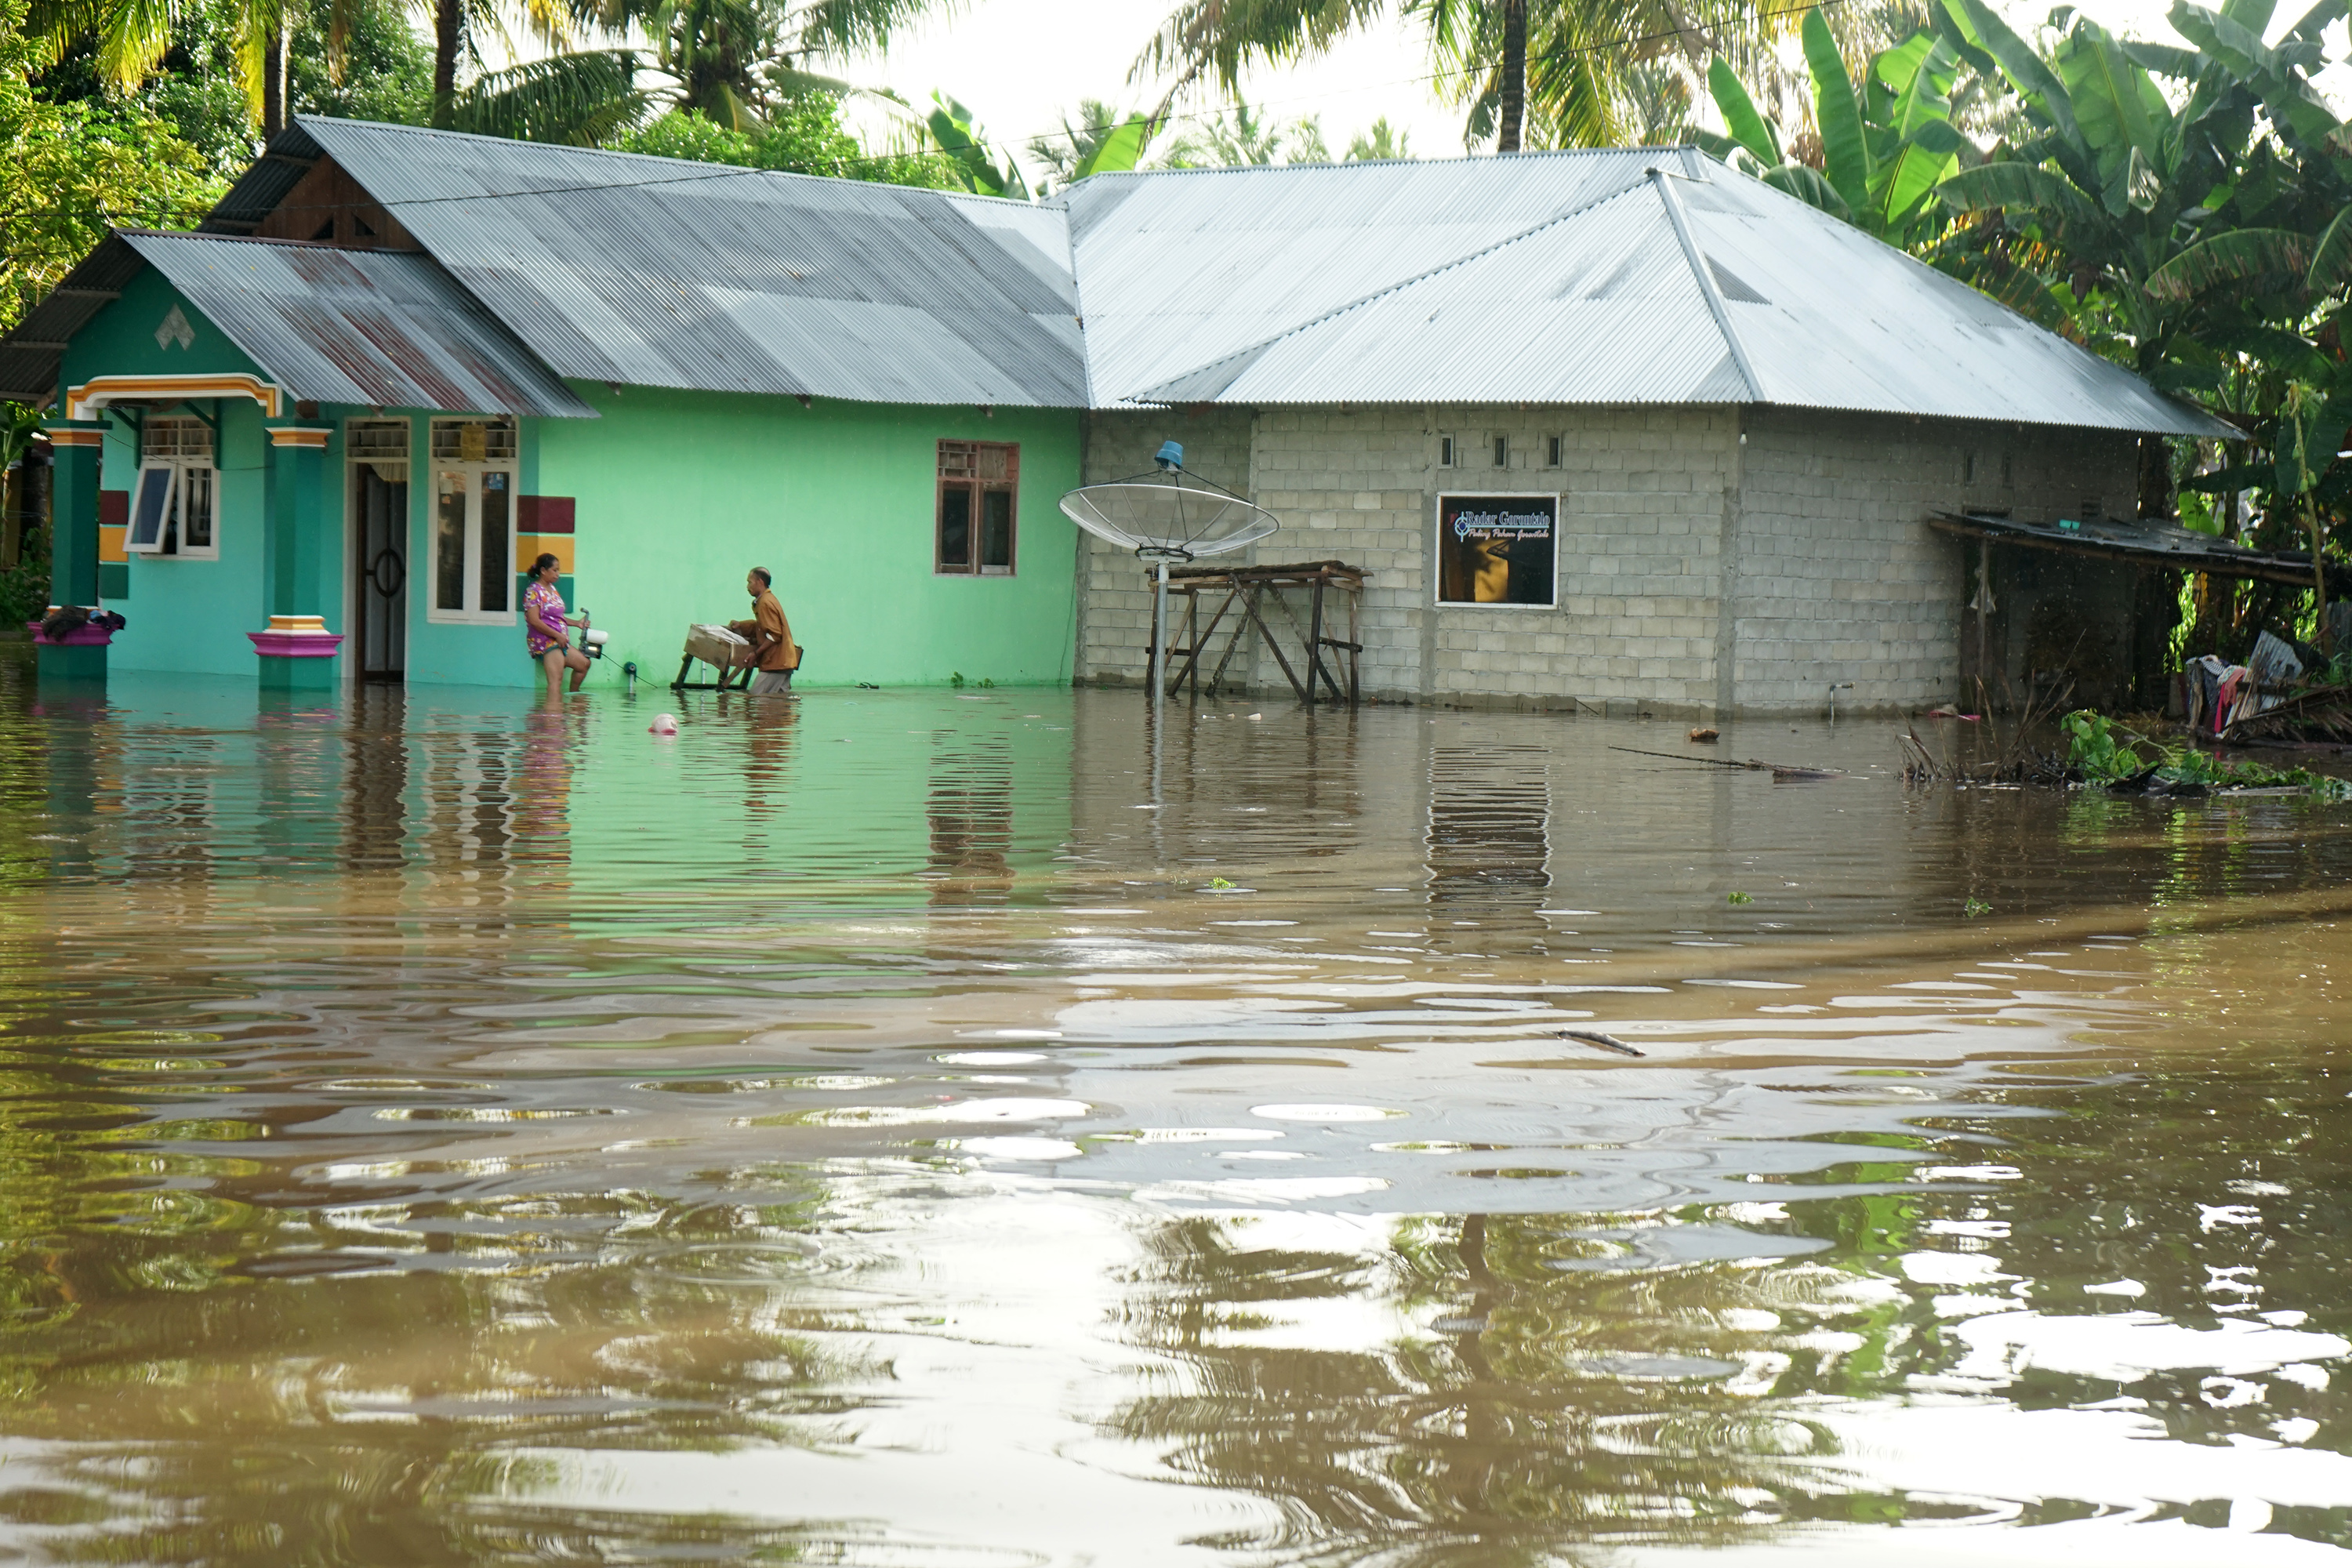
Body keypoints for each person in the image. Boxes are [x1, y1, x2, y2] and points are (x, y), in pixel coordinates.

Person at [524, 553, 591, 698]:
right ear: (543, 571)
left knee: (584, 665)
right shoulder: (533, 591)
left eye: (558, 570)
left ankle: (573, 699)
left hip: (560, 640)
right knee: (556, 681)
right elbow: (534, 620)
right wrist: (557, 635)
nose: (557, 574)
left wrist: (577, 624)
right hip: (546, 641)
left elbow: (557, 618)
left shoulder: (552, 590)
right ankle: (553, 718)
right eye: (555, 570)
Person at [728, 566, 800, 695]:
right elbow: (762, 626)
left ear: (760, 582)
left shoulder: (765, 602)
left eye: (750, 582)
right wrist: (741, 626)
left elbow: (775, 635)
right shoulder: (766, 600)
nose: (747, 586)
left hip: (775, 663)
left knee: (756, 698)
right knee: (780, 705)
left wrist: (755, 653)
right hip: (783, 662)